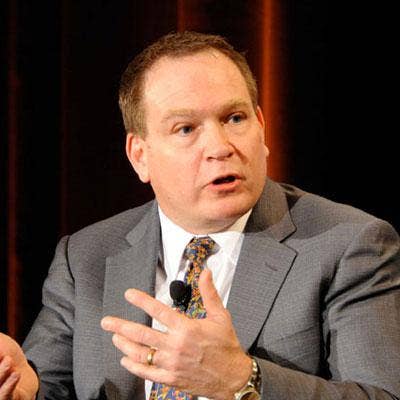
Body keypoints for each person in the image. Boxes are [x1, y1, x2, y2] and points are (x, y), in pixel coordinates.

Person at [0, 30, 399, 400]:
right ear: (140, 156)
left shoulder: (349, 245)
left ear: (261, 126)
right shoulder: (86, 256)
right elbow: (45, 385)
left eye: (235, 118)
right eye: (186, 129)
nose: (220, 147)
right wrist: (21, 388)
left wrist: (243, 380)